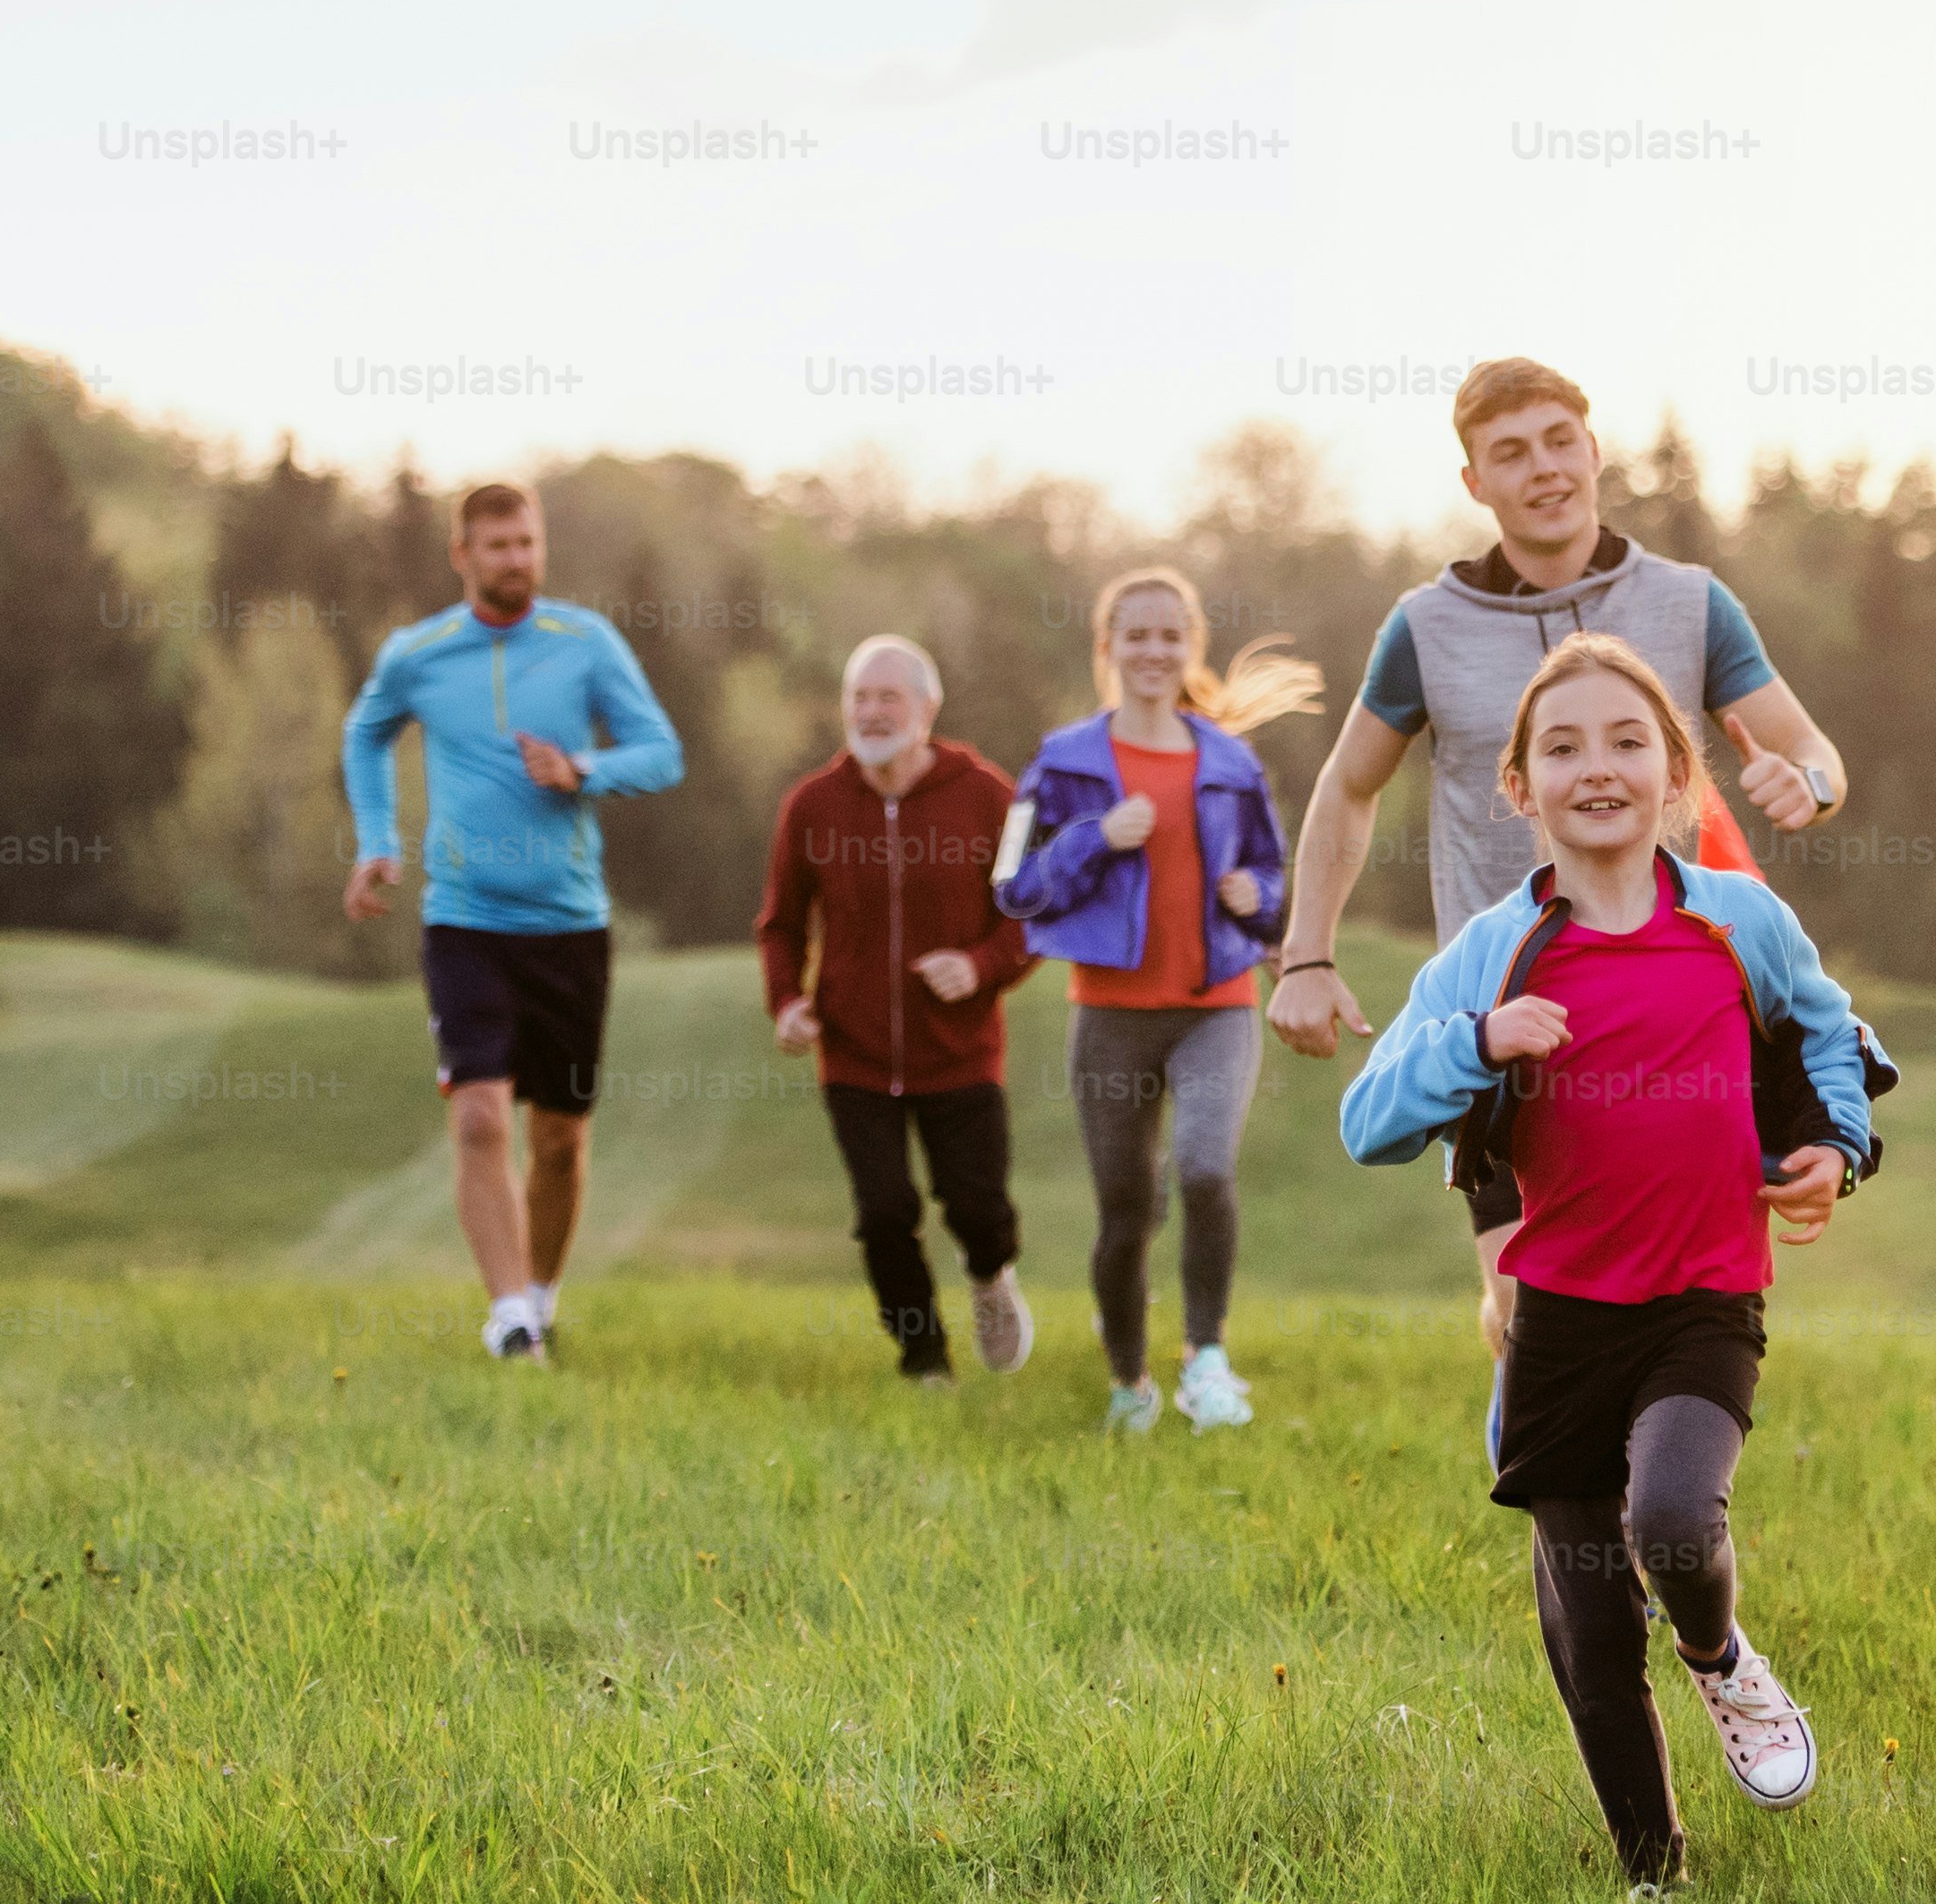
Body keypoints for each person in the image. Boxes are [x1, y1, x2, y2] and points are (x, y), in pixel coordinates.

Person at [1338, 633, 1882, 1890]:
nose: (1599, 766)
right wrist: (1474, 1039)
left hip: (1702, 1298)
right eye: (1562, 746)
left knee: (1675, 1520)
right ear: (1517, 786)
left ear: (1674, 771)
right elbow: (1368, 1122)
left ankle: (1718, 1659)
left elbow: (1826, 1029)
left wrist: (1834, 1147)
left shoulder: (1738, 920)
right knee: (1586, 1624)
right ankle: (1651, 1874)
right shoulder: (1492, 953)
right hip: (1556, 1322)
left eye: (1628, 740)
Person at [1263, 356, 1852, 1356]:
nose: (1542, 468)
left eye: (1557, 441)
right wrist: (1308, 955)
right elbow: (1349, 785)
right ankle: (1555, 1469)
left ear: (1592, 450)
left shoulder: (1691, 601)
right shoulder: (1425, 627)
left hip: (1671, 1002)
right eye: (1509, 452)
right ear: (1474, 482)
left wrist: (1812, 785)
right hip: (1505, 1006)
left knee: (1677, 1305)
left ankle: (1670, 1494)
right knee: (1524, 1308)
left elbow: (1811, 748)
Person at [341, 481, 687, 1363]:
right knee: (483, 1119)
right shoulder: (420, 652)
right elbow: (365, 733)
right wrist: (379, 837)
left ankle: (540, 1294)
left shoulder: (586, 643)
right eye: (497, 545)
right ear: (462, 554)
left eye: (527, 541)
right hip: (465, 917)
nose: (516, 559)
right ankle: (508, 1317)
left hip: (570, 923)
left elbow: (662, 752)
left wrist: (583, 768)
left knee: (560, 1139)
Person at [1003, 570, 1315, 1432]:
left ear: (1192, 646)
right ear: (1107, 647)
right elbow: (1013, 885)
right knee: (1125, 1209)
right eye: (1134, 635)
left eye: (1168, 635)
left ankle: (1206, 1360)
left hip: (1216, 1003)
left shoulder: (1229, 759)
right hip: (1108, 1014)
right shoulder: (1062, 760)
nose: (1152, 650)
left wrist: (1257, 891)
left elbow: (1277, 874)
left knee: (1206, 1166)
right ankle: (1129, 1382)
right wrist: (1092, 839)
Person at [758, 633, 1040, 1383]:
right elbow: (781, 923)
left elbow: (1031, 912)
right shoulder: (812, 805)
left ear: (927, 708)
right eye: (860, 696)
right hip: (853, 1053)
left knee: (977, 1208)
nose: (873, 711)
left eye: (889, 696)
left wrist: (978, 965)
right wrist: (787, 1001)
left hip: (960, 1051)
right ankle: (924, 1359)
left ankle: (989, 1279)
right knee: (884, 1213)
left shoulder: (987, 795)